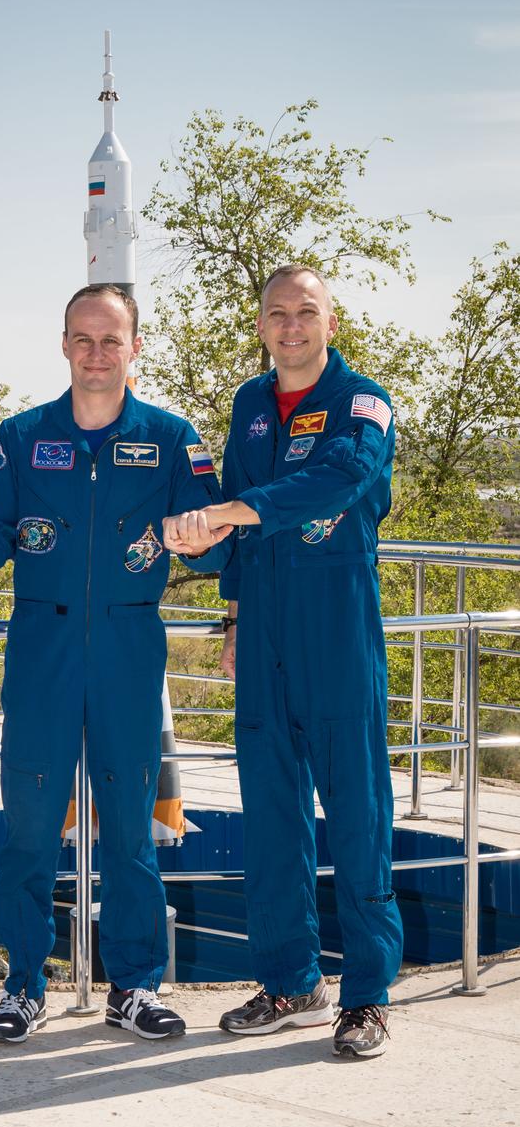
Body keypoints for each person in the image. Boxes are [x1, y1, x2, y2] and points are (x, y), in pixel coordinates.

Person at [0, 284, 231, 1042]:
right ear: (62, 345)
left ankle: (136, 986)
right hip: (41, 648)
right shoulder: (18, 438)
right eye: (82, 339)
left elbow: (213, 552)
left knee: (128, 830)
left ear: (134, 348)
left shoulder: (173, 437)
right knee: (27, 826)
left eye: (110, 340)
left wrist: (202, 539)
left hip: (127, 651)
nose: (95, 354)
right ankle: (22, 983)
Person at [163, 265, 403, 1059]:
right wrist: (231, 609)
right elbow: (232, 502)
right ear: (260, 324)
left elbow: (341, 478)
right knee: (269, 812)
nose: (291, 326)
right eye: (277, 314)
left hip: (335, 623)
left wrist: (229, 513)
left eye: (306, 312)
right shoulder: (248, 405)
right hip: (261, 623)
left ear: (330, 321)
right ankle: (292, 980)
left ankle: (366, 996)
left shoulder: (362, 400)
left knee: (358, 812)